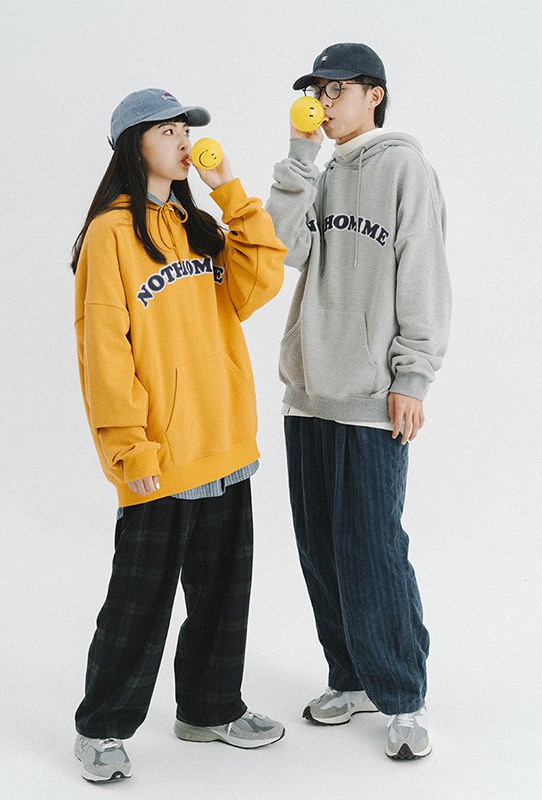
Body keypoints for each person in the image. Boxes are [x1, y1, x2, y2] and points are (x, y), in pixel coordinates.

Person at [71, 88, 287, 782]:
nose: (184, 140)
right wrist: (126, 445)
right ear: (132, 146)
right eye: (167, 130)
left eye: (185, 129)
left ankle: (209, 709)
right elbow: (103, 349)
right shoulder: (110, 234)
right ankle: (102, 728)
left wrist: (230, 191)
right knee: (139, 603)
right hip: (159, 457)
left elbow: (260, 280)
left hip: (224, 440)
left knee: (224, 592)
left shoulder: (196, 225)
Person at [266, 43, 451, 759]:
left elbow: (423, 273)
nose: (323, 102)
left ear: (374, 95)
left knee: (372, 548)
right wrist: (299, 157)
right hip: (308, 393)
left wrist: (413, 376)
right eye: (317, 91)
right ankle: (349, 678)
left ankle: (401, 696)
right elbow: (282, 250)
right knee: (320, 549)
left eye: (335, 90)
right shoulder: (321, 171)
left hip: (373, 396)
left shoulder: (405, 167)